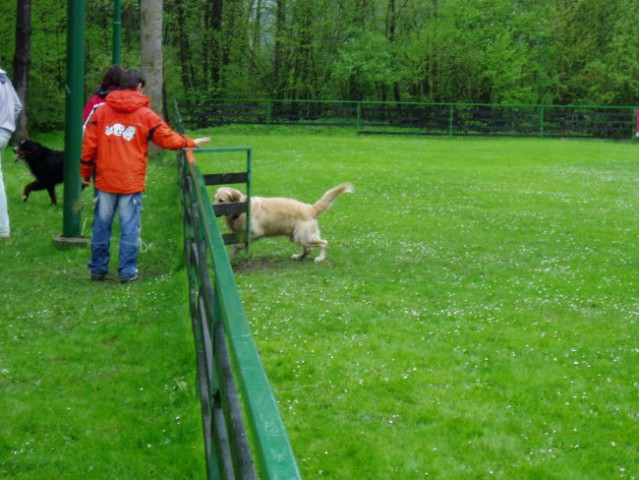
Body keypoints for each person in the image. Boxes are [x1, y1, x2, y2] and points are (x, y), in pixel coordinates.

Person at [81, 69, 210, 282]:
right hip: (131, 180)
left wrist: (85, 173)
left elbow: (89, 147)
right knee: (129, 226)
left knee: (101, 225)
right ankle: (127, 272)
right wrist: (189, 142)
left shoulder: (101, 112)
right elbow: (166, 138)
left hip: (104, 179)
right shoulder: (145, 114)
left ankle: (98, 269)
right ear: (139, 87)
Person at [0, 67, 23, 238]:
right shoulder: (4, 79)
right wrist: (7, 125)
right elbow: (17, 106)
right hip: (4, 133)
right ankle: (3, 229)